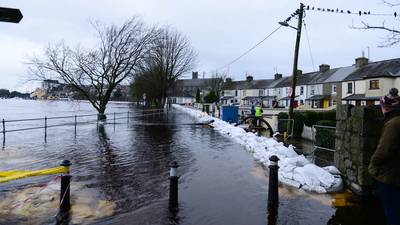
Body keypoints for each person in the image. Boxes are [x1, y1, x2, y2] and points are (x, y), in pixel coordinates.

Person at [368, 88, 400, 225]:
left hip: (390, 175)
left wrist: (372, 165)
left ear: (385, 108)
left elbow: (384, 150)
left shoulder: (393, 124)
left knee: (392, 211)